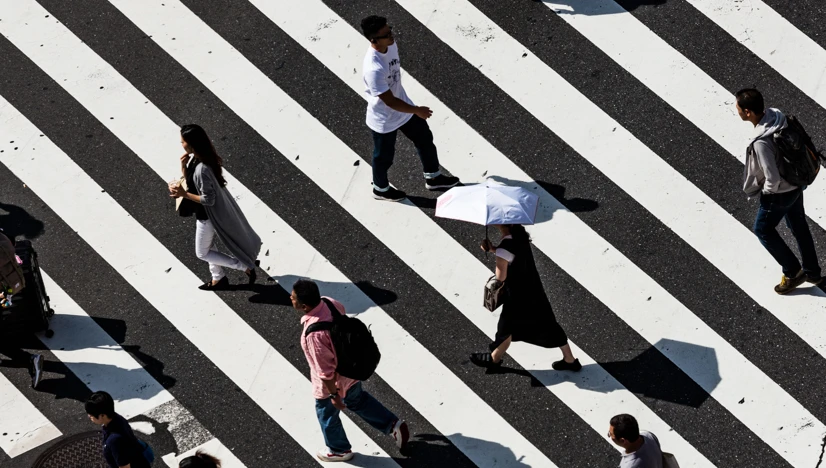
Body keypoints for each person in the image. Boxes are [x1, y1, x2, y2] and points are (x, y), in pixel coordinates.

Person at [291, 279, 409, 462]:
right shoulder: (329, 302)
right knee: (358, 400)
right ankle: (392, 425)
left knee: (326, 413)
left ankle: (339, 449)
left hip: (333, 382)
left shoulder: (315, 334)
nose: (291, 298)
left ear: (304, 305)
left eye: (293, 297)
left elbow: (325, 371)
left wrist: (333, 396)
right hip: (350, 369)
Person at [360, 15, 460, 202]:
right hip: (385, 118)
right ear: (373, 40)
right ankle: (380, 189)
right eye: (386, 34)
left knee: (424, 139)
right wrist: (416, 110)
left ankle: (433, 177)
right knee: (383, 157)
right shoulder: (373, 69)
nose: (392, 36)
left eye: (390, 30)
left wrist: (412, 109)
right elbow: (389, 101)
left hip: (403, 107)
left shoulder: (390, 46)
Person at [736, 88, 822, 294]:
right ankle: (812, 271)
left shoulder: (761, 142)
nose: (737, 110)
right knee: (799, 226)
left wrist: (766, 193)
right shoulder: (777, 118)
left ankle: (793, 272)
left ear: (748, 112)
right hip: (796, 183)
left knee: (762, 229)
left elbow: (772, 178)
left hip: (780, 193)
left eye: (738, 107)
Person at [471, 224, 580, 371]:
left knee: (506, 329)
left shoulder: (505, 248)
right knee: (548, 323)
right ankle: (570, 359)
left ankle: (494, 360)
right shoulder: (520, 237)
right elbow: (511, 255)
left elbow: (500, 277)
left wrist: (497, 256)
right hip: (533, 288)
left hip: (516, 297)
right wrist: (494, 250)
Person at [169, 124, 261, 291]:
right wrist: (183, 169)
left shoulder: (201, 167)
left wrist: (183, 194)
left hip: (208, 217)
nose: (181, 144)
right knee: (208, 246)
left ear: (191, 143)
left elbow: (208, 199)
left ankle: (244, 266)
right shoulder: (198, 158)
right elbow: (193, 183)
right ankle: (218, 278)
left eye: (183, 141)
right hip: (205, 214)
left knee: (202, 253)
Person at [85, 391, 151, 468]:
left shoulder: (114, 440)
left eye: (91, 414)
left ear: (102, 415)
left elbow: (125, 467)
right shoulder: (117, 418)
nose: (89, 416)